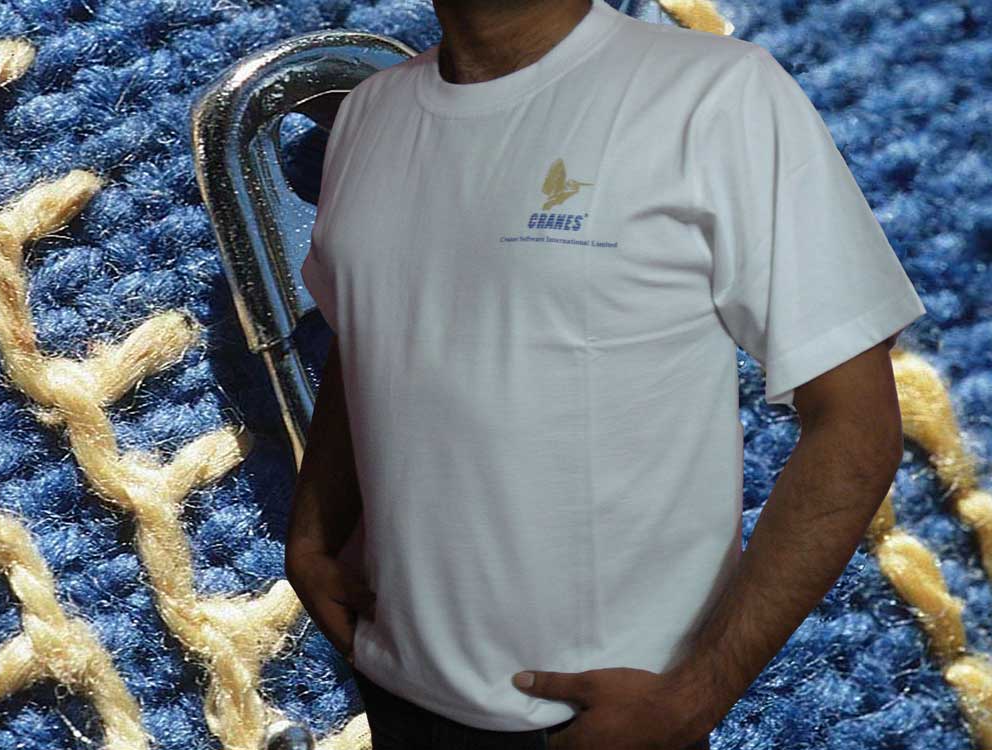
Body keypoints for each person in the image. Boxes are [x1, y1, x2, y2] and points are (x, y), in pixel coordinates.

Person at [287, 0, 928, 748]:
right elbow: (369, 330)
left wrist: (697, 695)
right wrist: (312, 532)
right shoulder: (371, 112)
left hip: (594, 721)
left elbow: (856, 428)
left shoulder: (716, 94)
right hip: (395, 686)